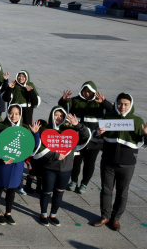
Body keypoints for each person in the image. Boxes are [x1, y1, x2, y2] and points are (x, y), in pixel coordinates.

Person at [93, 93, 147, 231]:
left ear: (131, 105)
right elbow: (96, 136)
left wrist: (146, 135)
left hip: (127, 163)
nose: (122, 107)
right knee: (106, 190)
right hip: (108, 160)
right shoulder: (108, 117)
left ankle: (116, 218)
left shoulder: (137, 121)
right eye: (119, 103)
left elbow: (143, 143)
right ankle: (105, 216)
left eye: (125, 104)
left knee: (122, 192)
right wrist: (98, 132)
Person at [0, 104, 41, 226]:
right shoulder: (1, 126)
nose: (14, 116)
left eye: (17, 113)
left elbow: (33, 146)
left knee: (12, 188)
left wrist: (35, 134)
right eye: (11, 113)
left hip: (17, 164)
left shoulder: (25, 128)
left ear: (20, 115)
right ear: (8, 113)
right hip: (3, 163)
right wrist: (2, 157)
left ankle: (8, 213)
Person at [33, 107, 90, 226]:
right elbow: (39, 148)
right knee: (47, 192)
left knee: (59, 192)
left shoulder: (71, 131)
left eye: (61, 116)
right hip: (49, 167)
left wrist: (78, 125)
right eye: (56, 115)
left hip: (66, 168)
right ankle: (43, 214)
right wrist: (55, 155)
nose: (59, 118)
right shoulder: (45, 129)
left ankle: (53, 214)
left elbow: (86, 136)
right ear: (51, 115)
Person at [60, 81, 113, 193]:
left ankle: (84, 184)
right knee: (76, 161)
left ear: (94, 92)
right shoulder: (75, 101)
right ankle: (73, 181)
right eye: (85, 91)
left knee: (90, 162)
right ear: (82, 90)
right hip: (78, 138)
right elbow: (61, 109)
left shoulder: (98, 103)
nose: (87, 94)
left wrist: (104, 102)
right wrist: (63, 101)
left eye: (90, 92)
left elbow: (113, 111)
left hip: (95, 139)